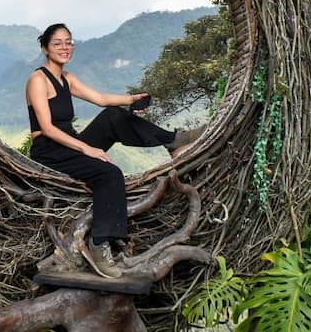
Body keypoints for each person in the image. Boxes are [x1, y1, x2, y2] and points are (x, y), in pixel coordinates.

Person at [26, 23, 204, 278]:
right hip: (50, 151)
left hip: (69, 142)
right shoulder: (37, 80)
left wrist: (132, 100)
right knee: (110, 174)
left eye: (68, 42)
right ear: (45, 48)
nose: (65, 47)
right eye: (57, 43)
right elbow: (48, 129)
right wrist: (88, 149)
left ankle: (173, 141)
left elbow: (101, 99)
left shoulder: (66, 79)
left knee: (112, 116)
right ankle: (100, 245)